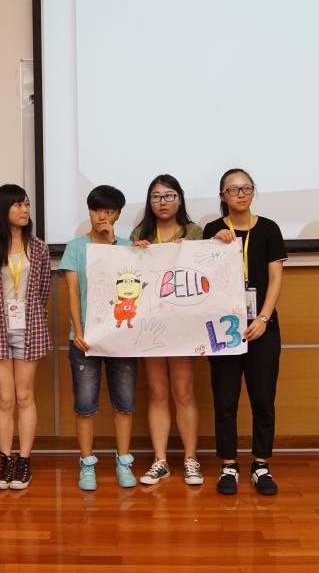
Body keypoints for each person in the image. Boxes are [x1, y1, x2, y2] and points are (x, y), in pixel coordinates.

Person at [203, 169, 287, 495]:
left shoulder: (269, 228)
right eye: (233, 189)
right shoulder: (213, 229)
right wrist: (214, 245)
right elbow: (202, 275)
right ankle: (228, 464)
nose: (240, 194)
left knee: (263, 398)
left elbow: (276, 277)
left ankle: (261, 463)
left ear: (253, 192)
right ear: (222, 195)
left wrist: (264, 318)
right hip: (224, 328)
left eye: (246, 188)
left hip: (262, 325)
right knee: (225, 398)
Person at [0, 185, 51, 489]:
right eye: (18, 205)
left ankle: (24, 461)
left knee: (24, 397)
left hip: (30, 331)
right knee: (5, 399)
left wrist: (33, 319)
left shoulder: (39, 248)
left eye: (26, 204)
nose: (25, 210)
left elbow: (44, 292)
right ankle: (6, 460)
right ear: (2, 210)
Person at [60, 185, 138, 490]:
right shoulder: (76, 247)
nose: (101, 216)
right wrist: (78, 331)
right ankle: (87, 464)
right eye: (96, 210)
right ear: (89, 212)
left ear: (118, 215)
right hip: (85, 340)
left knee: (125, 403)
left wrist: (113, 245)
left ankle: (123, 462)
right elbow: (72, 292)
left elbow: (135, 285)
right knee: (85, 405)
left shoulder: (127, 247)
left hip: (121, 339)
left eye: (109, 211)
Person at [130, 174, 204, 486]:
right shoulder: (140, 233)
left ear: (180, 198)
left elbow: (207, 268)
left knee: (183, 391)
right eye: (157, 196)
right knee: (158, 392)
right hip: (152, 325)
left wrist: (195, 250)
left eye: (169, 195)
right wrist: (135, 251)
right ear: (150, 202)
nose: (163, 202)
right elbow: (130, 275)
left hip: (184, 324)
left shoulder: (194, 232)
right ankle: (160, 460)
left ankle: (190, 459)